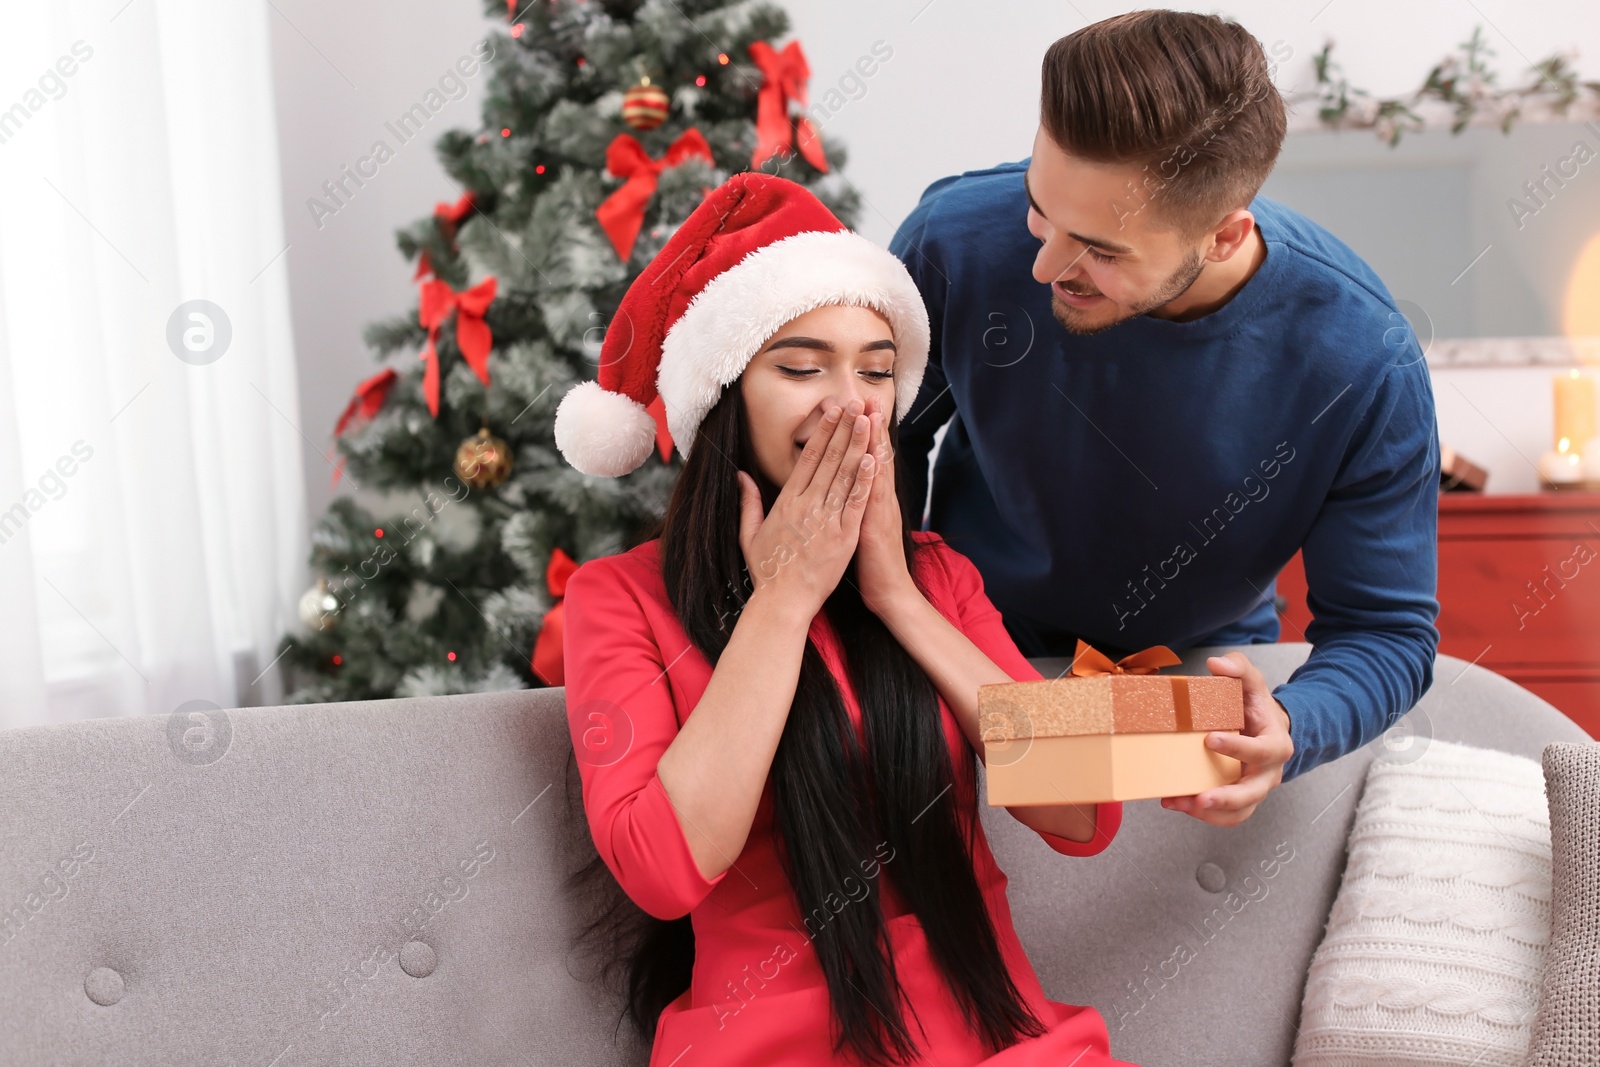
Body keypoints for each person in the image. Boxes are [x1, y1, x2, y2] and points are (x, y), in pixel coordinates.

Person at [552, 173, 1141, 1066]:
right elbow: (663, 870)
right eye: (800, 367)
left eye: (875, 369)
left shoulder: (935, 576)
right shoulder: (620, 599)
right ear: (722, 395)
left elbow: (1083, 809)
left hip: (1007, 1042)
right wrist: (782, 602)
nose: (851, 402)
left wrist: (896, 596)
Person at [889, 10, 1441, 826]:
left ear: (1224, 236)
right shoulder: (954, 237)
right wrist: (890, 607)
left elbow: (1388, 629)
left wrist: (1290, 723)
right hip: (970, 639)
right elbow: (887, 432)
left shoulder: (1363, 361)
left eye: (1099, 250)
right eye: (1040, 209)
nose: (1044, 264)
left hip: (1199, 670)